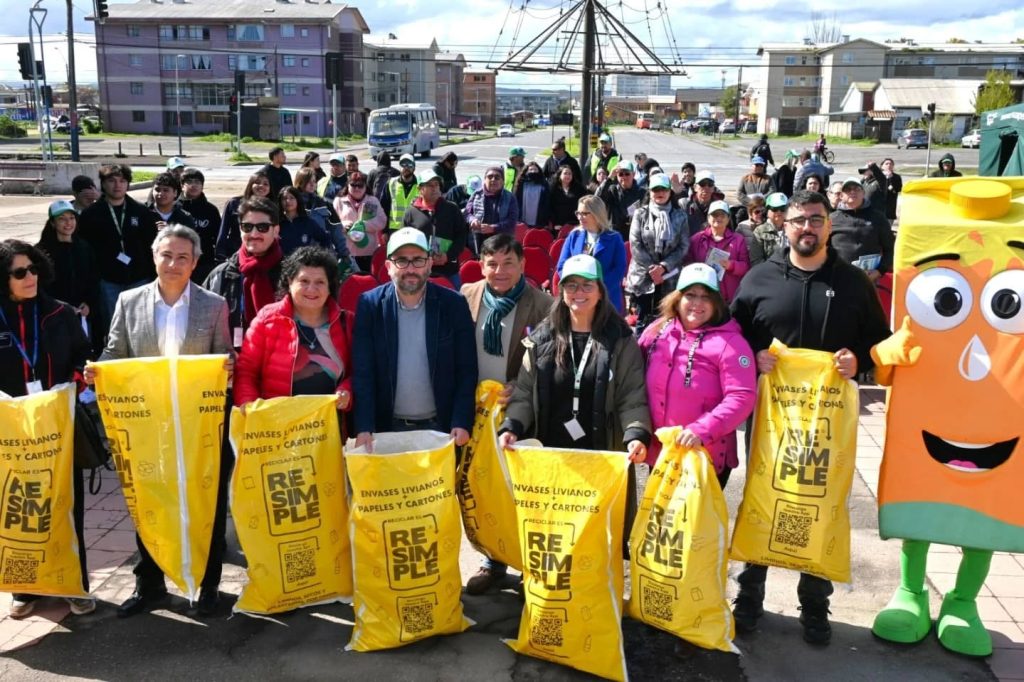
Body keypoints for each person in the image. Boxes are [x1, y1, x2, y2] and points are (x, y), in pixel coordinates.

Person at [730, 189, 890, 645]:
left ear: (829, 225)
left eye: (816, 220)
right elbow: (732, 338)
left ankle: (815, 603)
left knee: (819, 503)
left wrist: (859, 361)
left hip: (828, 422)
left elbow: (879, 341)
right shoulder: (761, 279)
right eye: (799, 220)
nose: (807, 228)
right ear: (785, 225)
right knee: (763, 495)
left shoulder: (854, 283)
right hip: (773, 420)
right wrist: (754, 355)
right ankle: (750, 596)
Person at [87, 225, 234, 618]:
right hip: (149, 428)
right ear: (154, 256)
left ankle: (209, 585)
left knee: (209, 506)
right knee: (148, 502)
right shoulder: (128, 301)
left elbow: (223, 358)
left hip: (197, 429)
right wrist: (99, 371)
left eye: (183, 257)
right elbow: (115, 352)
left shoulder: (214, 305)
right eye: (166, 255)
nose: (173, 264)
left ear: (196, 263)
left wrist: (228, 369)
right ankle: (148, 585)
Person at [1, 240, 95, 619]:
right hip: (11, 434)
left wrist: (77, 379)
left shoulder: (60, 313)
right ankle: (25, 589)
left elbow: (83, 356)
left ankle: (76, 584)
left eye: (34, 269)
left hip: (57, 428)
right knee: (19, 508)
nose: (30, 277)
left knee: (67, 507)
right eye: (20, 272)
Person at [460, 234, 552, 595]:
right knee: (480, 490)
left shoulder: (543, 305)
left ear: (522, 265)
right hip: (473, 410)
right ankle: (492, 560)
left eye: (508, 263)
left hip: (518, 412)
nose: (499, 271)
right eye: (492, 263)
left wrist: (523, 383)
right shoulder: (466, 296)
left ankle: (531, 565)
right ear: (481, 266)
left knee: (519, 491)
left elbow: (551, 359)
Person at [497, 253, 650, 460]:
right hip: (549, 456)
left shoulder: (620, 340)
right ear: (562, 292)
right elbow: (524, 392)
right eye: (571, 286)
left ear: (600, 293)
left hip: (600, 456)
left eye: (587, 285)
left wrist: (635, 435)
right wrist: (512, 426)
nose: (579, 292)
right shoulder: (542, 338)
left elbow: (631, 397)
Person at [351, 228, 477, 450]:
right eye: (402, 261)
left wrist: (462, 420)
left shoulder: (454, 305)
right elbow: (363, 372)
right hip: (387, 429)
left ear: (429, 264)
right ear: (389, 266)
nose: (410, 269)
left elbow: (466, 369)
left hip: (441, 429)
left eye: (418, 260)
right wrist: (364, 426)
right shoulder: (370, 305)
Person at [638, 262, 756, 488]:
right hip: (663, 453)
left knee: (694, 523)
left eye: (706, 297)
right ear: (677, 298)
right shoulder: (656, 331)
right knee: (659, 521)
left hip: (705, 456)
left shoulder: (731, 343)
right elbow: (633, 376)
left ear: (716, 302)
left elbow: (742, 396)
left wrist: (702, 430)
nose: (697, 304)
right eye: (690, 295)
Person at [234, 247, 353, 424]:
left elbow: (360, 372)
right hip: (276, 429)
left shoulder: (348, 322)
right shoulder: (268, 319)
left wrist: (347, 390)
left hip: (328, 433)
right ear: (290, 282)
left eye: (320, 282)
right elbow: (246, 371)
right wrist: (249, 407)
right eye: (304, 281)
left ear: (330, 286)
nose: (311, 289)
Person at [77, 164, 160, 335]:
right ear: (103, 184)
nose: (117, 185)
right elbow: (85, 249)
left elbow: (152, 245)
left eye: (122, 181)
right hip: (108, 280)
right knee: (113, 328)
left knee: (140, 327)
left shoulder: (141, 211)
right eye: (112, 181)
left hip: (139, 278)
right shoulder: (91, 214)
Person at [204, 197, 285, 347]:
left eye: (262, 227)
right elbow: (203, 326)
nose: (254, 234)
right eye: (247, 227)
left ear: (276, 230)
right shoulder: (220, 276)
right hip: (233, 362)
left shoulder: (293, 275)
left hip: (280, 361)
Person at [625, 173, 690, 328]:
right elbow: (635, 244)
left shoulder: (680, 215)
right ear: (650, 192)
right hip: (643, 276)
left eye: (663, 189)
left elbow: (683, 246)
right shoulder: (640, 214)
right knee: (642, 322)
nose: (660, 193)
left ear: (669, 191)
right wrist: (653, 270)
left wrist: (663, 267)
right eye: (655, 190)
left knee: (668, 323)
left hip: (670, 277)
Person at [35, 201, 100, 349]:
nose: (68, 223)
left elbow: (93, 279)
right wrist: (59, 306)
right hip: (54, 314)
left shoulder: (84, 247)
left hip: (82, 313)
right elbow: (41, 286)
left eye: (71, 218)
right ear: (52, 223)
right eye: (62, 219)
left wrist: (88, 302)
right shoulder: (41, 252)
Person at [556, 195, 627, 314]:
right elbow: (562, 266)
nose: (580, 217)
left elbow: (619, 269)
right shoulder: (574, 236)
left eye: (584, 213)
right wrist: (575, 285)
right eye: (578, 213)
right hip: (578, 298)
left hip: (606, 299)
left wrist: (596, 288)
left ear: (597, 214)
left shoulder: (614, 238)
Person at [403, 171, 468, 286]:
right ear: (420, 189)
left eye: (436, 184)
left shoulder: (452, 209)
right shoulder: (411, 212)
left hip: (449, 271)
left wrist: (448, 256)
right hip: (421, 272)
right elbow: (406, 242)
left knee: (455, 302)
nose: (435, 188)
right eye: (430, 185)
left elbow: (462, 236)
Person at [828, 177, 895, 284]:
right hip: (838, 279)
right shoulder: (831, 219)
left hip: (869, 281)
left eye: (856, 189)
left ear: (863, 193)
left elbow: (890, 249)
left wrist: (878, 271)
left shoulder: (878, 218)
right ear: (841, 196)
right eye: (848, 189)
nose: (852, 192)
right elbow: (822, 249)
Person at [686, 200, 750, 303]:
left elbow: (746, 267)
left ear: (728, 219)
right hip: (704, 294)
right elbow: (687, 264)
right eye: (715, 215)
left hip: (730, 297)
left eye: (722, 215)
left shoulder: (738, 239)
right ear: (708, 218)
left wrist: (731, 265)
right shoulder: (696, 239)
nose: (719, 218)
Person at [334, 170, 386, 273]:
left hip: (369, 252)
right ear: (348, 185)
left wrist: (364, 225)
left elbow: (382, 221)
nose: (356, 188)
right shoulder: (339, 201)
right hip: (347, 252)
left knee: (368, 282)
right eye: (353, 185)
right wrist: (343, 225)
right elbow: (331, 225)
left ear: (365, 187)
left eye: (360, 185)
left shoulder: (373, 201)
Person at [215, 170, 273, 261]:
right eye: (257, 183)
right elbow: (223, 230)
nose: (261, 186)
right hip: (235, 253)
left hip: (263, 254)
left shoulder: (272, 207)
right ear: (250, 185)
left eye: (266, 184)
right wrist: (220, 254)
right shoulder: (234, 203)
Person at [179, 168, 222, 284]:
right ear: (182, 186)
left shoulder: (211, 210)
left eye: (197, 182)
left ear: (202, 186)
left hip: (204, 262)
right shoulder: (174, 208)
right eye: (189, 182)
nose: (194, 185)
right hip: (179, 261)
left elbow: (218, 236)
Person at [465, 167, 519, 254]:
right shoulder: (476, 194)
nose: (493, 180)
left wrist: (493, 228)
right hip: (479, 241)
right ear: (485, 180)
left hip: (502, 242)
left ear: (502, 181)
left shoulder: (510, 197)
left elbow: (512, 221)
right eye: (490, 177)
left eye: (497, 177)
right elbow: (467, 213)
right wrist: (472, 220)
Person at [596, 159, 645, 242]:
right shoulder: (612, 190)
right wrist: (609, 178)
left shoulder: (642, 192)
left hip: (634, 234)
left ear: (633, 174)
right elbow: (597, 200)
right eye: (621, 174)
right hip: (614, 234)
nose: (624, 177)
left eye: (627, 174)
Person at [277, 186, 332, 256]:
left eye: (291, 198)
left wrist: (318, 258)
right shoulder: (276, 223)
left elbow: (325, 238)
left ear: (297, 200)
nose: (288, 201)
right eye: (284, 198)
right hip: (283, 264)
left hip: (303, 264)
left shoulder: (307, 222)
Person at [747, 192, 788, 266]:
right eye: (775, 208)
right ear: (767, 211)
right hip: (770, 274)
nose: (779, 212)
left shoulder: (794, 228)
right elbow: (757, 261)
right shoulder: (759, 232)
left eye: (782, 208)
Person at [679, 170, 725, 236]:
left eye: (710, 184)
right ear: (695, 187)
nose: (706, 187)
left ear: (713, 188)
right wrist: (675, 193)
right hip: (689, 244)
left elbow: (728, 231)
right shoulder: (684, 204)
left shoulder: (721, 207)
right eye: (702, 184)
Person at [387, 154, 420, 233]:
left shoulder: (420, 185)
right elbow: (384, 206)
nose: (406, 167)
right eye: (403, 164)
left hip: (414, 228)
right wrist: (385, 231)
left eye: (409, 164)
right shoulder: (391, 183)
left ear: (414, 168)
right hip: (394, 229)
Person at [513, 161, 550, 229]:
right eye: (530, 170)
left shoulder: (544, 184)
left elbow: (547, 202)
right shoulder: (521, 184)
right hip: (522, 219)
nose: (533, 171)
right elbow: (516, 201)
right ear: (526, 172)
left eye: (535, 169)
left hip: (538, 221)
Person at [366, 152, 399, 219]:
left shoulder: (373, 172)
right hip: (392, 205)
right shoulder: (396, 172)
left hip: (375, 204)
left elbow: (368, 189)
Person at [880, 158, 902, 222]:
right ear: (882, 166)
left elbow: (898, 189)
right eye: (886, 164)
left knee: (887, 229)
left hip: (890, 207)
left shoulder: (896, 177)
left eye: (891, 164)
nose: (889, 165)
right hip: (878, 206)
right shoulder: (878, 176)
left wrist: (890, 179)